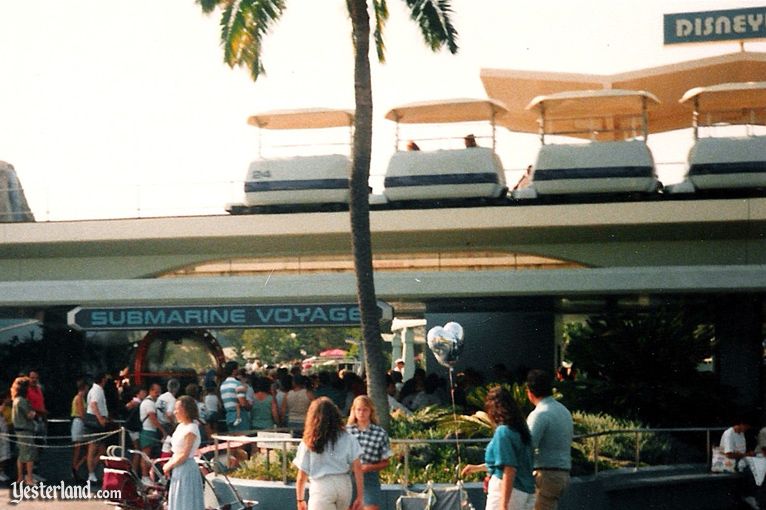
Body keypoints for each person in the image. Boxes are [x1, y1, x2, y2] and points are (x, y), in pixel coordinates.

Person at [461, 386, 535, 510]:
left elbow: (509, 468)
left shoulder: (503, 432)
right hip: (526, 491)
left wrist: (503, 504)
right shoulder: (520, 431)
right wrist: (477, 468)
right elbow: (513, 461)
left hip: (507, 491)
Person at [293, 397, 364, 510]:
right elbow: (358, 468)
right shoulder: (348, 438)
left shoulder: (309, 441)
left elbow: (302, 475)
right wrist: (360, 497)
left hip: (321, 486)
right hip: (343, 484)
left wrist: (300, 499)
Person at [526, 369, 573, 510]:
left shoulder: (539, 414)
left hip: (546, 475)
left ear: (529, 391)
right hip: (562, 473)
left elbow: (528, 446)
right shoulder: (564, 411)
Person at [347, 395, 392, 510]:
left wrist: (369, 467)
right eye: (359, 409)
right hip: (348, 477)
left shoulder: (379, 433)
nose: (362, 413)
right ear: (354, 411)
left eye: (365, 409)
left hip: (369, 477)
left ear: (370, 411)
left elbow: (386, 461)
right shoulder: (346, 432)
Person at [163, 395, 204, 510]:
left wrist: (168, 465)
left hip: (186, 468)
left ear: (186, 410)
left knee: (186, 501)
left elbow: (185, 454)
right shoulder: (180, 426)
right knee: (177, 499)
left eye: (177, 409)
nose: (175, 412)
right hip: (178, 467)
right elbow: (176, 451)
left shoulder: (192, 428)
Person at [85, 372, 111, 483]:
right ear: (103, 379)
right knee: (93, 448)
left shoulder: (98, 390)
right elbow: (93, 404)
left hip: (98, 419)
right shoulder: (96, 390)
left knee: (102, 450)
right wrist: (100, 418)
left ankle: (93, 469)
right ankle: (90, 474)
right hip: (94, 420)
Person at [11, 376, 37, 485]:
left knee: (21, 455)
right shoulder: (22, 401)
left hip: (18, 430)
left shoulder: (15, 400)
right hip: (25, 431)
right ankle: (29, 479)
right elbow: (29, 415)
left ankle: (20, 477)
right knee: (29, 455)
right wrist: (34, 412)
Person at [140, 382, 166, 483]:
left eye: (159, 392)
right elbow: (153, 418)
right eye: (156, 392)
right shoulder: (148, 403)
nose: (158, 394)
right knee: (146, 455)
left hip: (151, 431)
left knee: (149, 456)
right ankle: (144, 476)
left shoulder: (152, 403)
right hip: (148, 431)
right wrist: (163, 431)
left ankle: (147, 476)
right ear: (150, 391)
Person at [70, 379, 88, 482]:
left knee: (82, 448)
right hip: (79, 422)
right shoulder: (79, 398)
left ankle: (76, 467)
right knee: (78, 448)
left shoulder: (81, 398)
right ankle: (74, 467)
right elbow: (81, 413)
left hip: (80, 422)